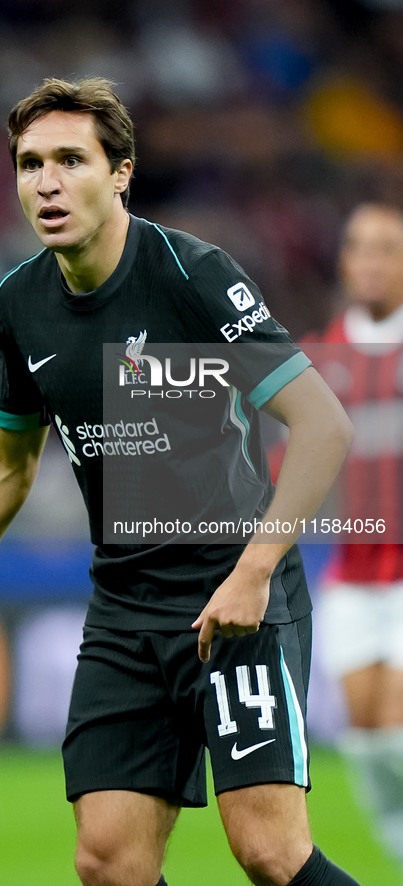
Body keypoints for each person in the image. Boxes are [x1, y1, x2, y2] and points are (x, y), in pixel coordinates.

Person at [0, 78, 360, 886]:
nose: (46, 183)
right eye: (29, 165)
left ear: (120, 172)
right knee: (108, 863)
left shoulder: (189, 274)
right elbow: (5, 464)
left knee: (267, 851)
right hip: (126, 607)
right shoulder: (21, 303)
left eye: (69, 160)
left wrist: (253, 573)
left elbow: (322, 424)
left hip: (231, 595)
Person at [314, 203, 403, 874]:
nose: (370, 260)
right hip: (352, 576)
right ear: (344, 262)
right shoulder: (325, 360)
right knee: (368, 740)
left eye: (386, 248)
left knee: (397, 735)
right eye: (359, 248)